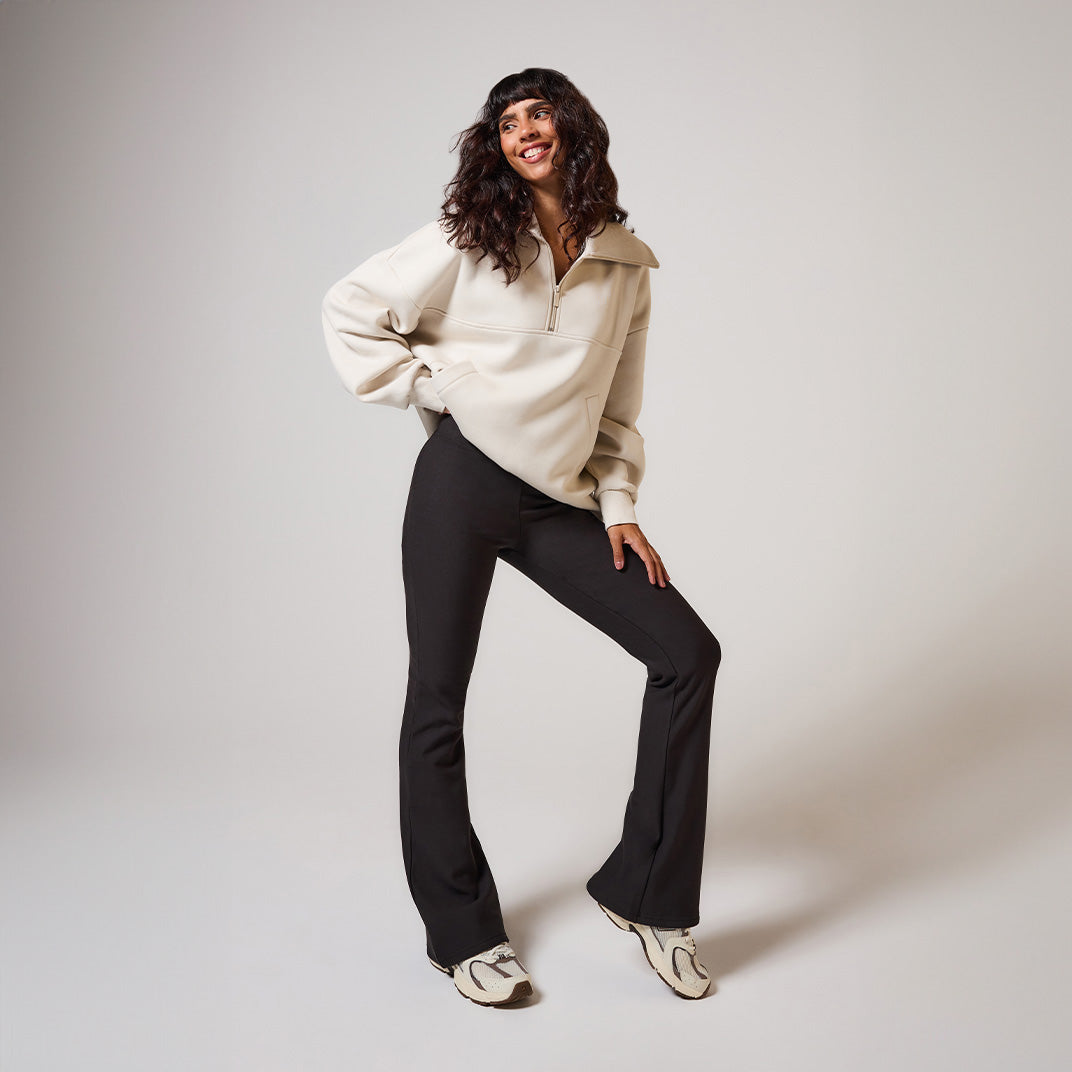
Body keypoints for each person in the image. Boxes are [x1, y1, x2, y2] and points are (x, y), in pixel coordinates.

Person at [321, 68, 722, 1006]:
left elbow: (616, 406)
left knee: (687, 655)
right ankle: (461, 933)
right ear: (496, 146)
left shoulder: (625, 263)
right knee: (437, 700)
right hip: (462, 483)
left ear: (572, 126)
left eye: (539, 113)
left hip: (556, 500)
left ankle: (648, 897)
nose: (525, 131)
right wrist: (439, 388)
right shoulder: (469, 236)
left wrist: (619, 508)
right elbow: (350, 308)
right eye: (508, 122)